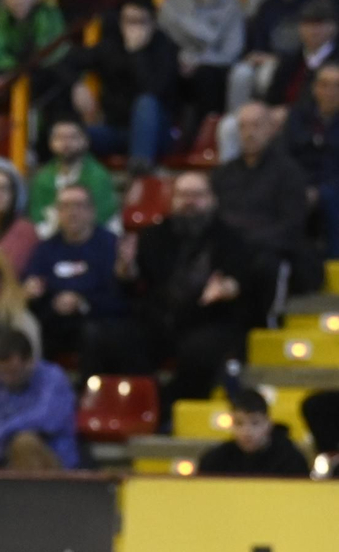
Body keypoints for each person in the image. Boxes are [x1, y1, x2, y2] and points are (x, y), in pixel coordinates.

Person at [118, 171, 258, 406]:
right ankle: (139, 405)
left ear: (212, 199)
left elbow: (245, 280)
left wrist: (230, 287)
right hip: (159, 319)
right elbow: (136, 286)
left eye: (197, 195)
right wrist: (127, 272)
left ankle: (170, 407)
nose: (190, 201)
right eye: (183, 195)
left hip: (209, 320)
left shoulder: (231, 238)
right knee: (117, 338)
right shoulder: (153, 236)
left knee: (200, 350)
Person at [24, 184, 126, 366]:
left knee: (94, 333)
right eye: (65, 207)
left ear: (92, 211)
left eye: (78, 206)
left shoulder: (110, 245)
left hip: (97, 320)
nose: (72, 212)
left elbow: (117, 296)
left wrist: (81, 302)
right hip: (55, 320)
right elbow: (32, 284)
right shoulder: (45, 249)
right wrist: (31, 291)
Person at [212, 102, 310, 288]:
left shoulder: (289, 173)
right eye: (243, 126)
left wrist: (248, 241)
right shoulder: (222, 173)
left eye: (256, 125)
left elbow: (291, 225)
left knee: (262, 264)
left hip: (268, 250)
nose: (249, 133)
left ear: (272, 129)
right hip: (227, 249)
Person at [75, 0, 179, 172]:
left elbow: (153, 89)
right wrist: (75, 84)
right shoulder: (110, 46)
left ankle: (140, 169)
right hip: (117, 131)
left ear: (153, 24)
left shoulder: (165, 48)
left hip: (156, 134)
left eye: (140, 21)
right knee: (72, 134)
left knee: (146, 102)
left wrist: (137, 53)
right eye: (128, 21)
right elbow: (69, 60)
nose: (133, 28)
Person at [158, 0, 245, 121]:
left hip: (217, 70)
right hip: (179, 71)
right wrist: (181, 60)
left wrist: (199, 60)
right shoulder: (171, 6)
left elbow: (232, 51)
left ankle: (208, 135)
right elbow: (163, 47)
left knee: (207, 75)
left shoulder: (231, 4)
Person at [0, 330, 78, 470]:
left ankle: (34, 492)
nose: (6, 379)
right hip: (3, 463)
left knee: (24, 443)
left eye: (13, 372)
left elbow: (46, 418)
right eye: (1, 372)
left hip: (55, 465)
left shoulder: (53, 378)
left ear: (30, 362)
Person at [231, 0, 317, 111]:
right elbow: (257, 44)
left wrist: (277, 60)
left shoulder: (314, 2)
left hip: (299, 64)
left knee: (269, 74)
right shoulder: (267, 5)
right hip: (267, 60)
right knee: (241, 73)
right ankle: (241, 119)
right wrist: (258, 57)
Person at [27, 119, 119, 236]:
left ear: (85, 141)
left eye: (72, 137)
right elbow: (36, 215)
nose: (66, 143)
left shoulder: (99, 176)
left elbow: (102, 214)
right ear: (51, 143)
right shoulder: (42, 178)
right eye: (60, 138)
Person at [196, 390, 310, 477]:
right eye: (239, 423)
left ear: (268, 424)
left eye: (255, 423)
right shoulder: (215, 461)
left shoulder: (291, 460)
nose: (246, 432)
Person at [290, 64, 339, 255]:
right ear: (314, 88)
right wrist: (302, 186)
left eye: (336, 86)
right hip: (300, 183)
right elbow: (286, 156)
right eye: (324, 85)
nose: (330, 92)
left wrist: (319, 192)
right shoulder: (297, 117)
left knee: (331, 198)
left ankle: (334, 265)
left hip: (334, 186)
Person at [0, 0, 68, 86]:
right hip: (19, 69)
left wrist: (16, 71)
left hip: (52, 70)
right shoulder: (4, 18)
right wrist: (12, 68)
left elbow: (45, 55)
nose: (16, 1)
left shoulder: (48, 15)